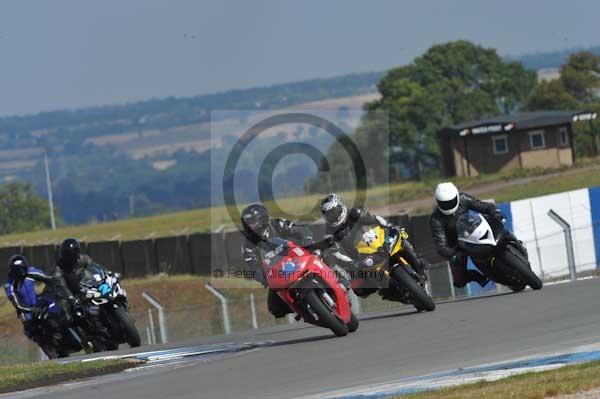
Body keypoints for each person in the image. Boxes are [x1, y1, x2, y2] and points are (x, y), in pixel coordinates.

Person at [319, 193, 429, 298]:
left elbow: (375, 219)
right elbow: (335, 253)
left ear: (341, 207)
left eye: (334, 212)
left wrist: (389, 226)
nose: (332, 216)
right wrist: (350, 262)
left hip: (376, 241)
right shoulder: (329, 232)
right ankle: (386, 291)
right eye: (328, 214)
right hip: (360, 257)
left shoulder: (354, 213)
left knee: (401, 238)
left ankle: (419, 266)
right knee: (359, 289)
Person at [240, 204, 315, 317]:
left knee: (326, 252)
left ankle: (340, 281)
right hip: (278, 274)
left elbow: (299, 229)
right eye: (248, 223)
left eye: (252, 222)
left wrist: (306, 238)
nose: (250, 226)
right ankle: (303, 308)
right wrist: (263, 278)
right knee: (274, 307)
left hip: (298, 257)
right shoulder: (248, 245)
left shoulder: (277, 224)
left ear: (262, 219)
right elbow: (253, 266)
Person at [430, 182, 506, 288]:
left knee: (500, 228)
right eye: (444, 203)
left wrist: (495, 212)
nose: (448, 205)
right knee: (459, 281)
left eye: (451, 202)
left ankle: (515, 245)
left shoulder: (464, 198)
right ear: (438, 202)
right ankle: (477, 277)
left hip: (474, 230)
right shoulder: (436, 219)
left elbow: (484, 206)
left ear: (456, 196)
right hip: (458, 245)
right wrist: (452, 254)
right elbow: (441, 244)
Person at [4, 255, 68, 347]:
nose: (21, 273)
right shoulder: (9, 285)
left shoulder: (31, 272)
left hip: (38, 303)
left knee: (55, 308)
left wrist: (56, 285)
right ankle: (46, 346)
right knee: (32, 329)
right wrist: (30, 310)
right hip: (25, 310)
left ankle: (63, 328)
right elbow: (17, 305)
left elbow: (49, 279)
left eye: (22, 269)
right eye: (17, 271)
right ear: (12, 271)